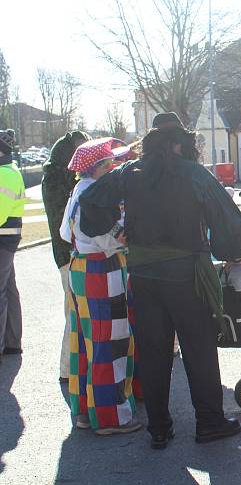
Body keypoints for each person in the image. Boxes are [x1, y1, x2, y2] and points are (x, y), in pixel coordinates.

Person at [78, 112, 241, 449]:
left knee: (153, 351)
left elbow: (89, 204)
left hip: (143, 276)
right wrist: (232, 252)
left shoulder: (130, 172)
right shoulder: (194, 174)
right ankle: (209, 422)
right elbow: (229, 223)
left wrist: (118, 229)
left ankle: (158, 427)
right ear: (179, 142)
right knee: (198, 349)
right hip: (186, 275)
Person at [59, 137, 141, 435]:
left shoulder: (77, 191)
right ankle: (111, 417)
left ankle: (84, 411)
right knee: (110, 344)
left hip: (80, 269)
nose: (115, 167)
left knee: (84, 344)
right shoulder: (95, 193)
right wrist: (124, 237)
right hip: (102, 269)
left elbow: (65, 233)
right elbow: (108, 237)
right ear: (98, 167)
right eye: (110, 163)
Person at [42, 130, 88, 381]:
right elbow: (65, 224)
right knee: (74, 313)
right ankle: (67, 370)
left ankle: (71, 368)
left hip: (68, 253)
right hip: (68, 254)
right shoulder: (58, 181)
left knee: (75, 312)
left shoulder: (56, 177)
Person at [0, 129, 24, 361]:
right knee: (8, 289)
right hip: (7, 238)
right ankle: (11, 343)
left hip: (3, 238)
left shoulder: (5, 174)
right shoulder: (8, 170)